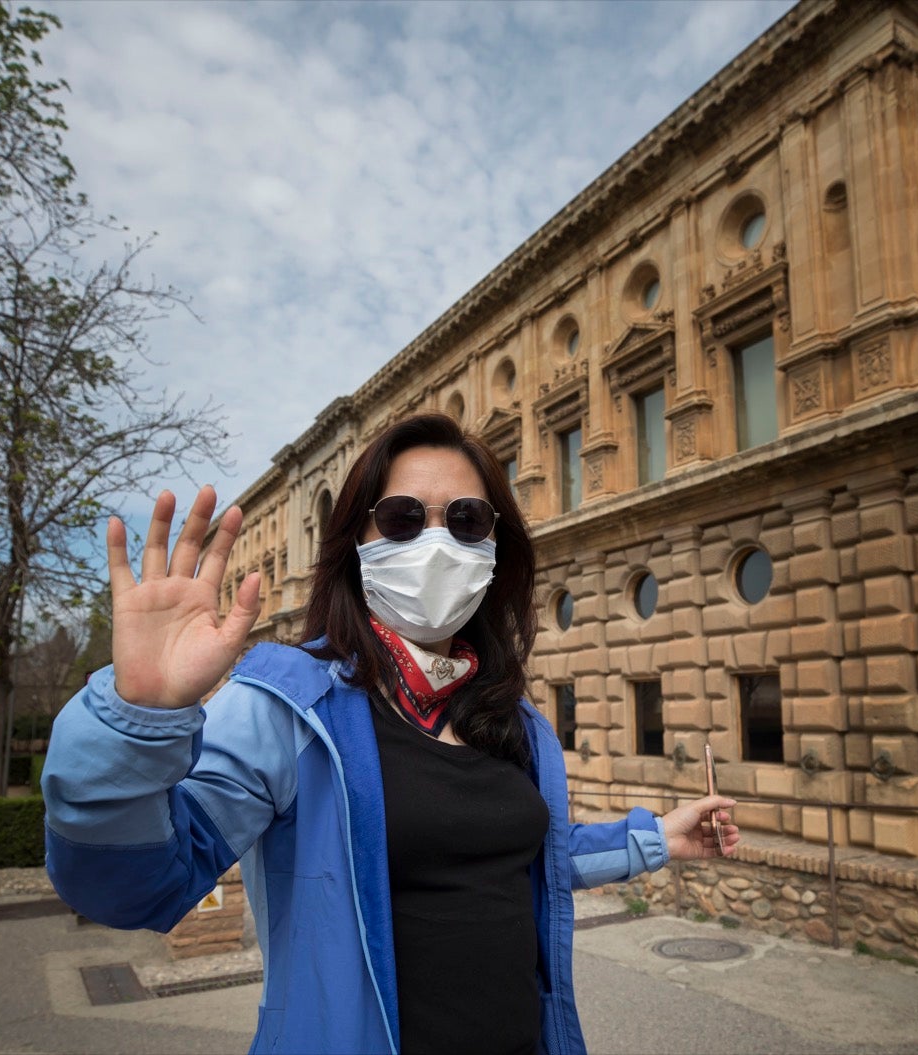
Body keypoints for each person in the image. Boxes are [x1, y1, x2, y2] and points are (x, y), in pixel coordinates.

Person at [41, 413, 739, 1055]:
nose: (436, 541)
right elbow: (129, 889)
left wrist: (659, 837)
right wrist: (138, 715)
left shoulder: (511, 716)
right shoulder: (287, 704)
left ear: (495, 545)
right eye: (402, 518)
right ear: (354, 544)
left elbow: (529, 855)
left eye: (465, 519)